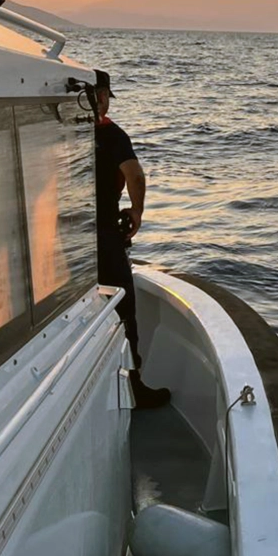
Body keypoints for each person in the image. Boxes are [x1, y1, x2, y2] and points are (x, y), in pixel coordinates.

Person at [95, 79, 171, 408]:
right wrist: (137, 211)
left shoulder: (58, 128)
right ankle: (134, 385)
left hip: (60, 235)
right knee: (122, 306)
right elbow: (135, 176)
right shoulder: (111, 134)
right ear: (100, 97)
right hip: (102, 234)